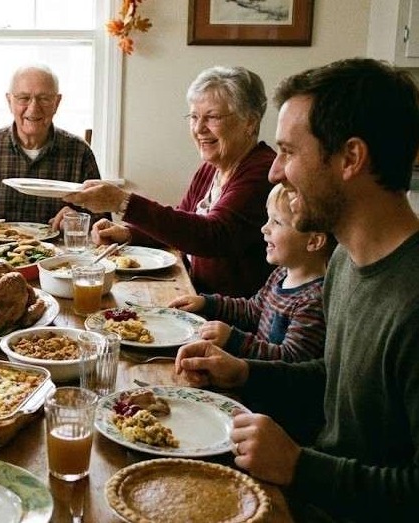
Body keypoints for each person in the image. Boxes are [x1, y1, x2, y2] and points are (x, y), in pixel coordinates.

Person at [176, 58, 419, 521]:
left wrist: (298, 466)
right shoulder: (346, 262)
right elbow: (334, 380)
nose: (274, 172)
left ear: (350, 158)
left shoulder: (411, 299)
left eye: (289, 152)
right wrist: (244, 373)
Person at [65, 66, 275, 298]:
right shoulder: (211, 168)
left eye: (212, 117)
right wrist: (127, 233)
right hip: (194, 292)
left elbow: (212, 235)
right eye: (194, 117)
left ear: (250, 123)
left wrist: (123, 202)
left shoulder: (262, 171)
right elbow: (182, 224)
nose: (198, 129)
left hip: (230, 314)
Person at [168, 184, 335, 362]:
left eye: (276, 222)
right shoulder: (281, 274)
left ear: (314, 241)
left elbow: (289, 359)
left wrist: (234, 340)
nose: (264, 228)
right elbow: (252, 310)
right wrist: (206, 303)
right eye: (268, 219)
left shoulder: (314, 300)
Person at [0, 64, 100, 228]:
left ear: (57, 102)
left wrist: (78, 220)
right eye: (24, 98)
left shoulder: (80, 152)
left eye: (44, 99)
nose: (33, 109)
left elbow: (103, 225)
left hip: (60, 253)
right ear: (9, 101)